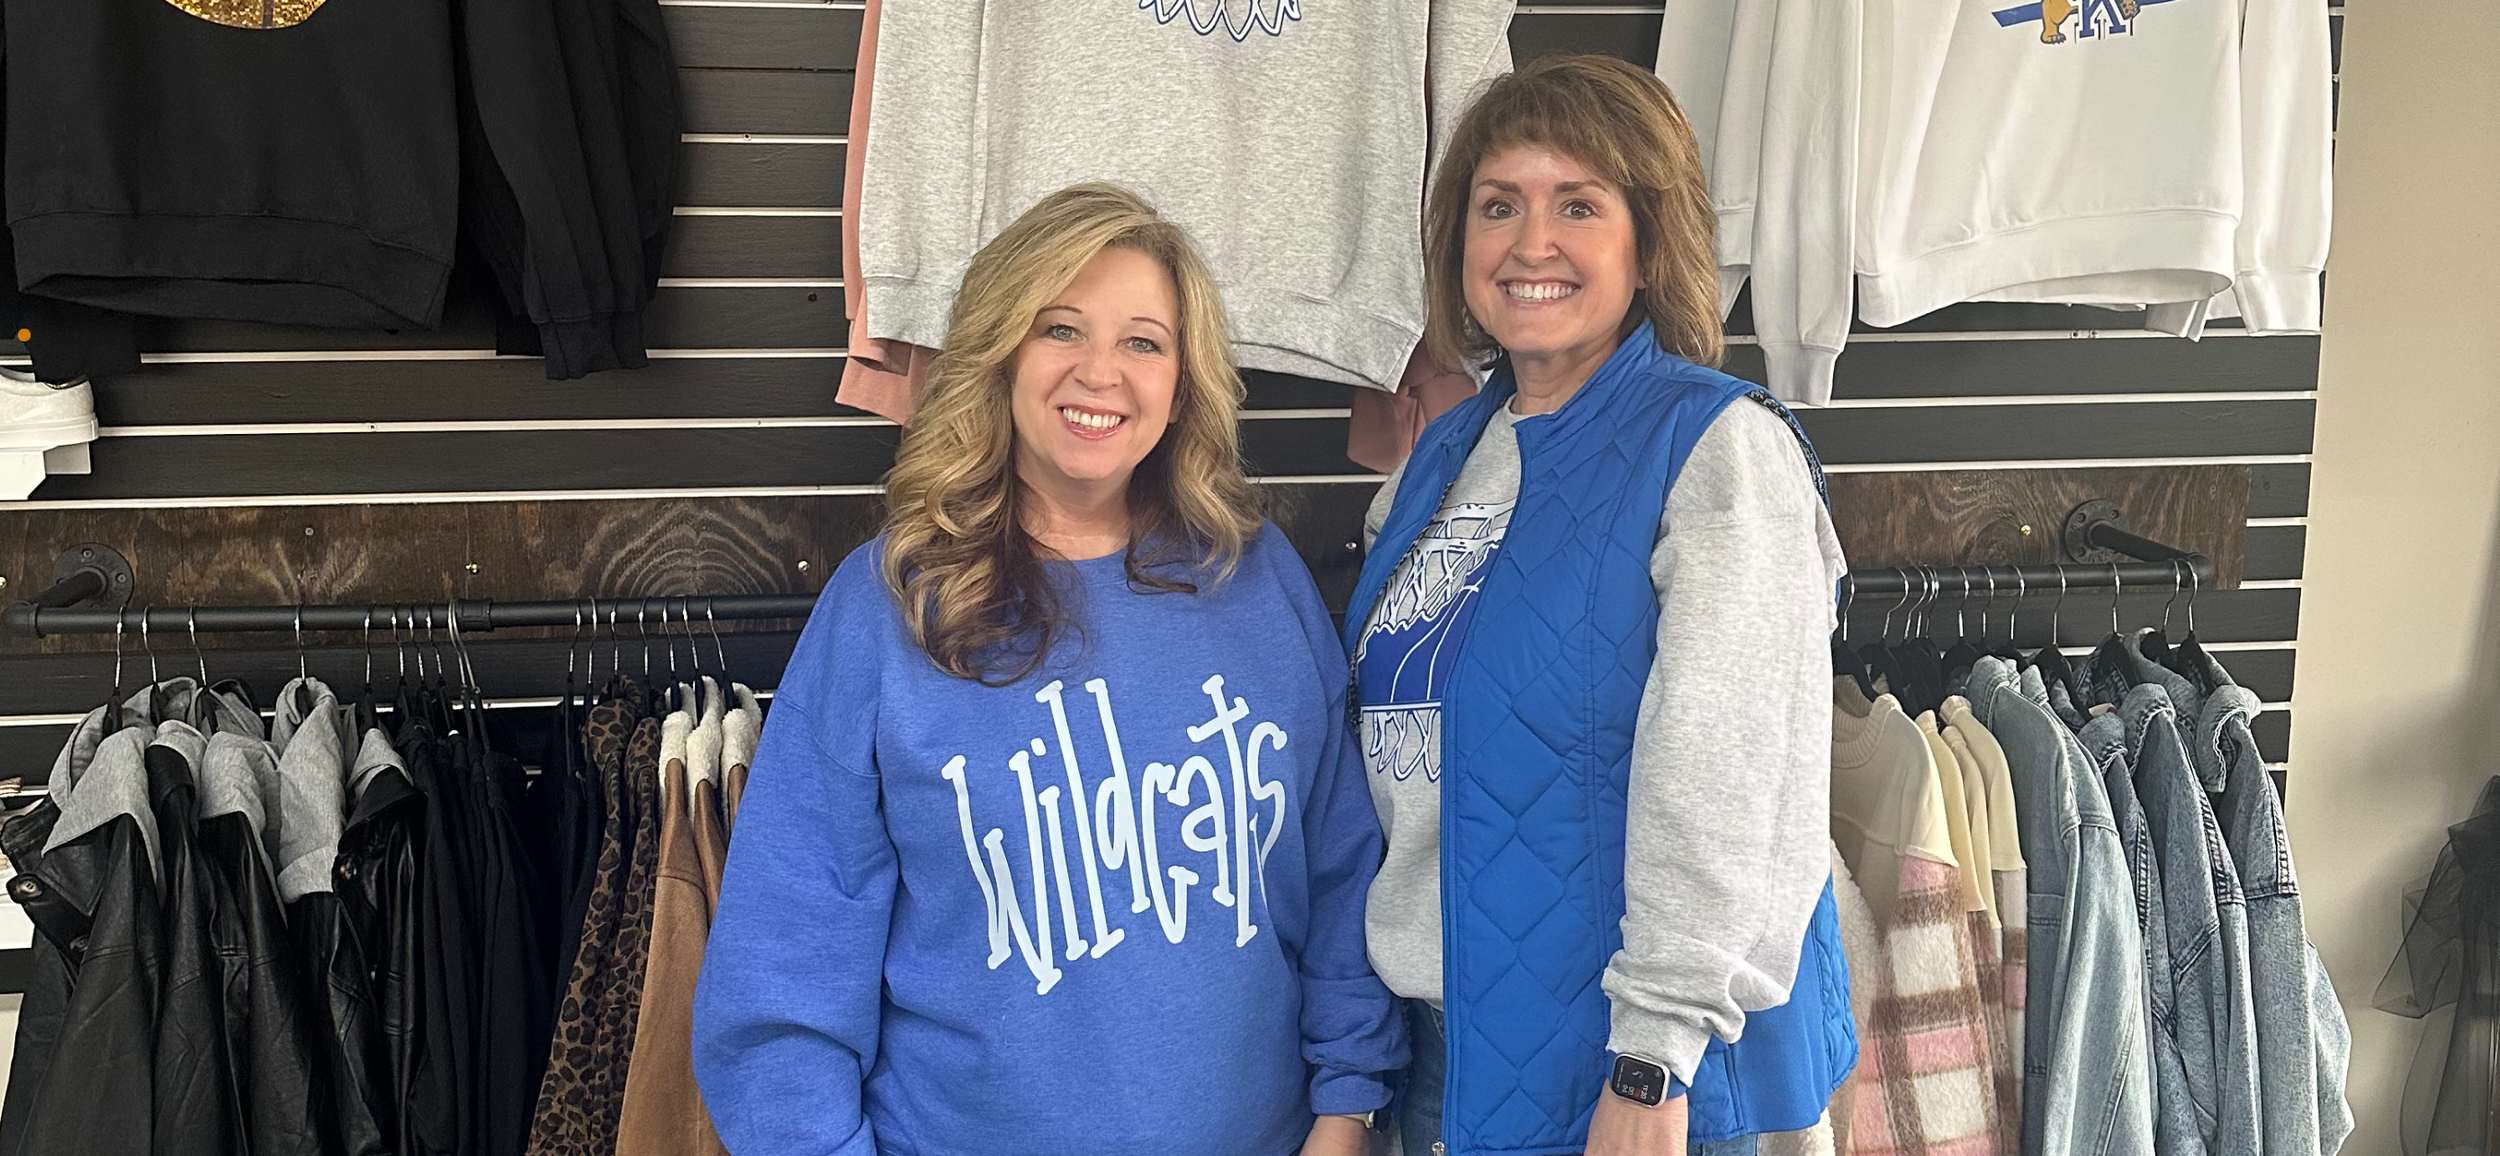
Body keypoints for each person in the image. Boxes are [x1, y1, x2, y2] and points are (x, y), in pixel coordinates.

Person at [691, 183, 1403, 1156]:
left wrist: (1346, 1107)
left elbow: (1340, 876)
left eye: (1143, 341)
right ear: (1002, 352)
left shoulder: (1256, 579)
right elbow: (784, 972)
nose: (1100, 372)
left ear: (1183, 379)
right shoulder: (887, 604)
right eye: (1060, 327)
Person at [1347, 56, 1857, 1156]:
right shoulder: (1441, 459)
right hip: (1450, 1055)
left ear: (1646, 239)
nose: (1530, 243)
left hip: (1638, 1084)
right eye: (1498, 206)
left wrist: (1650, 1061)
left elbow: (1730, 780)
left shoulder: (1717, 451)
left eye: (1577, 204)